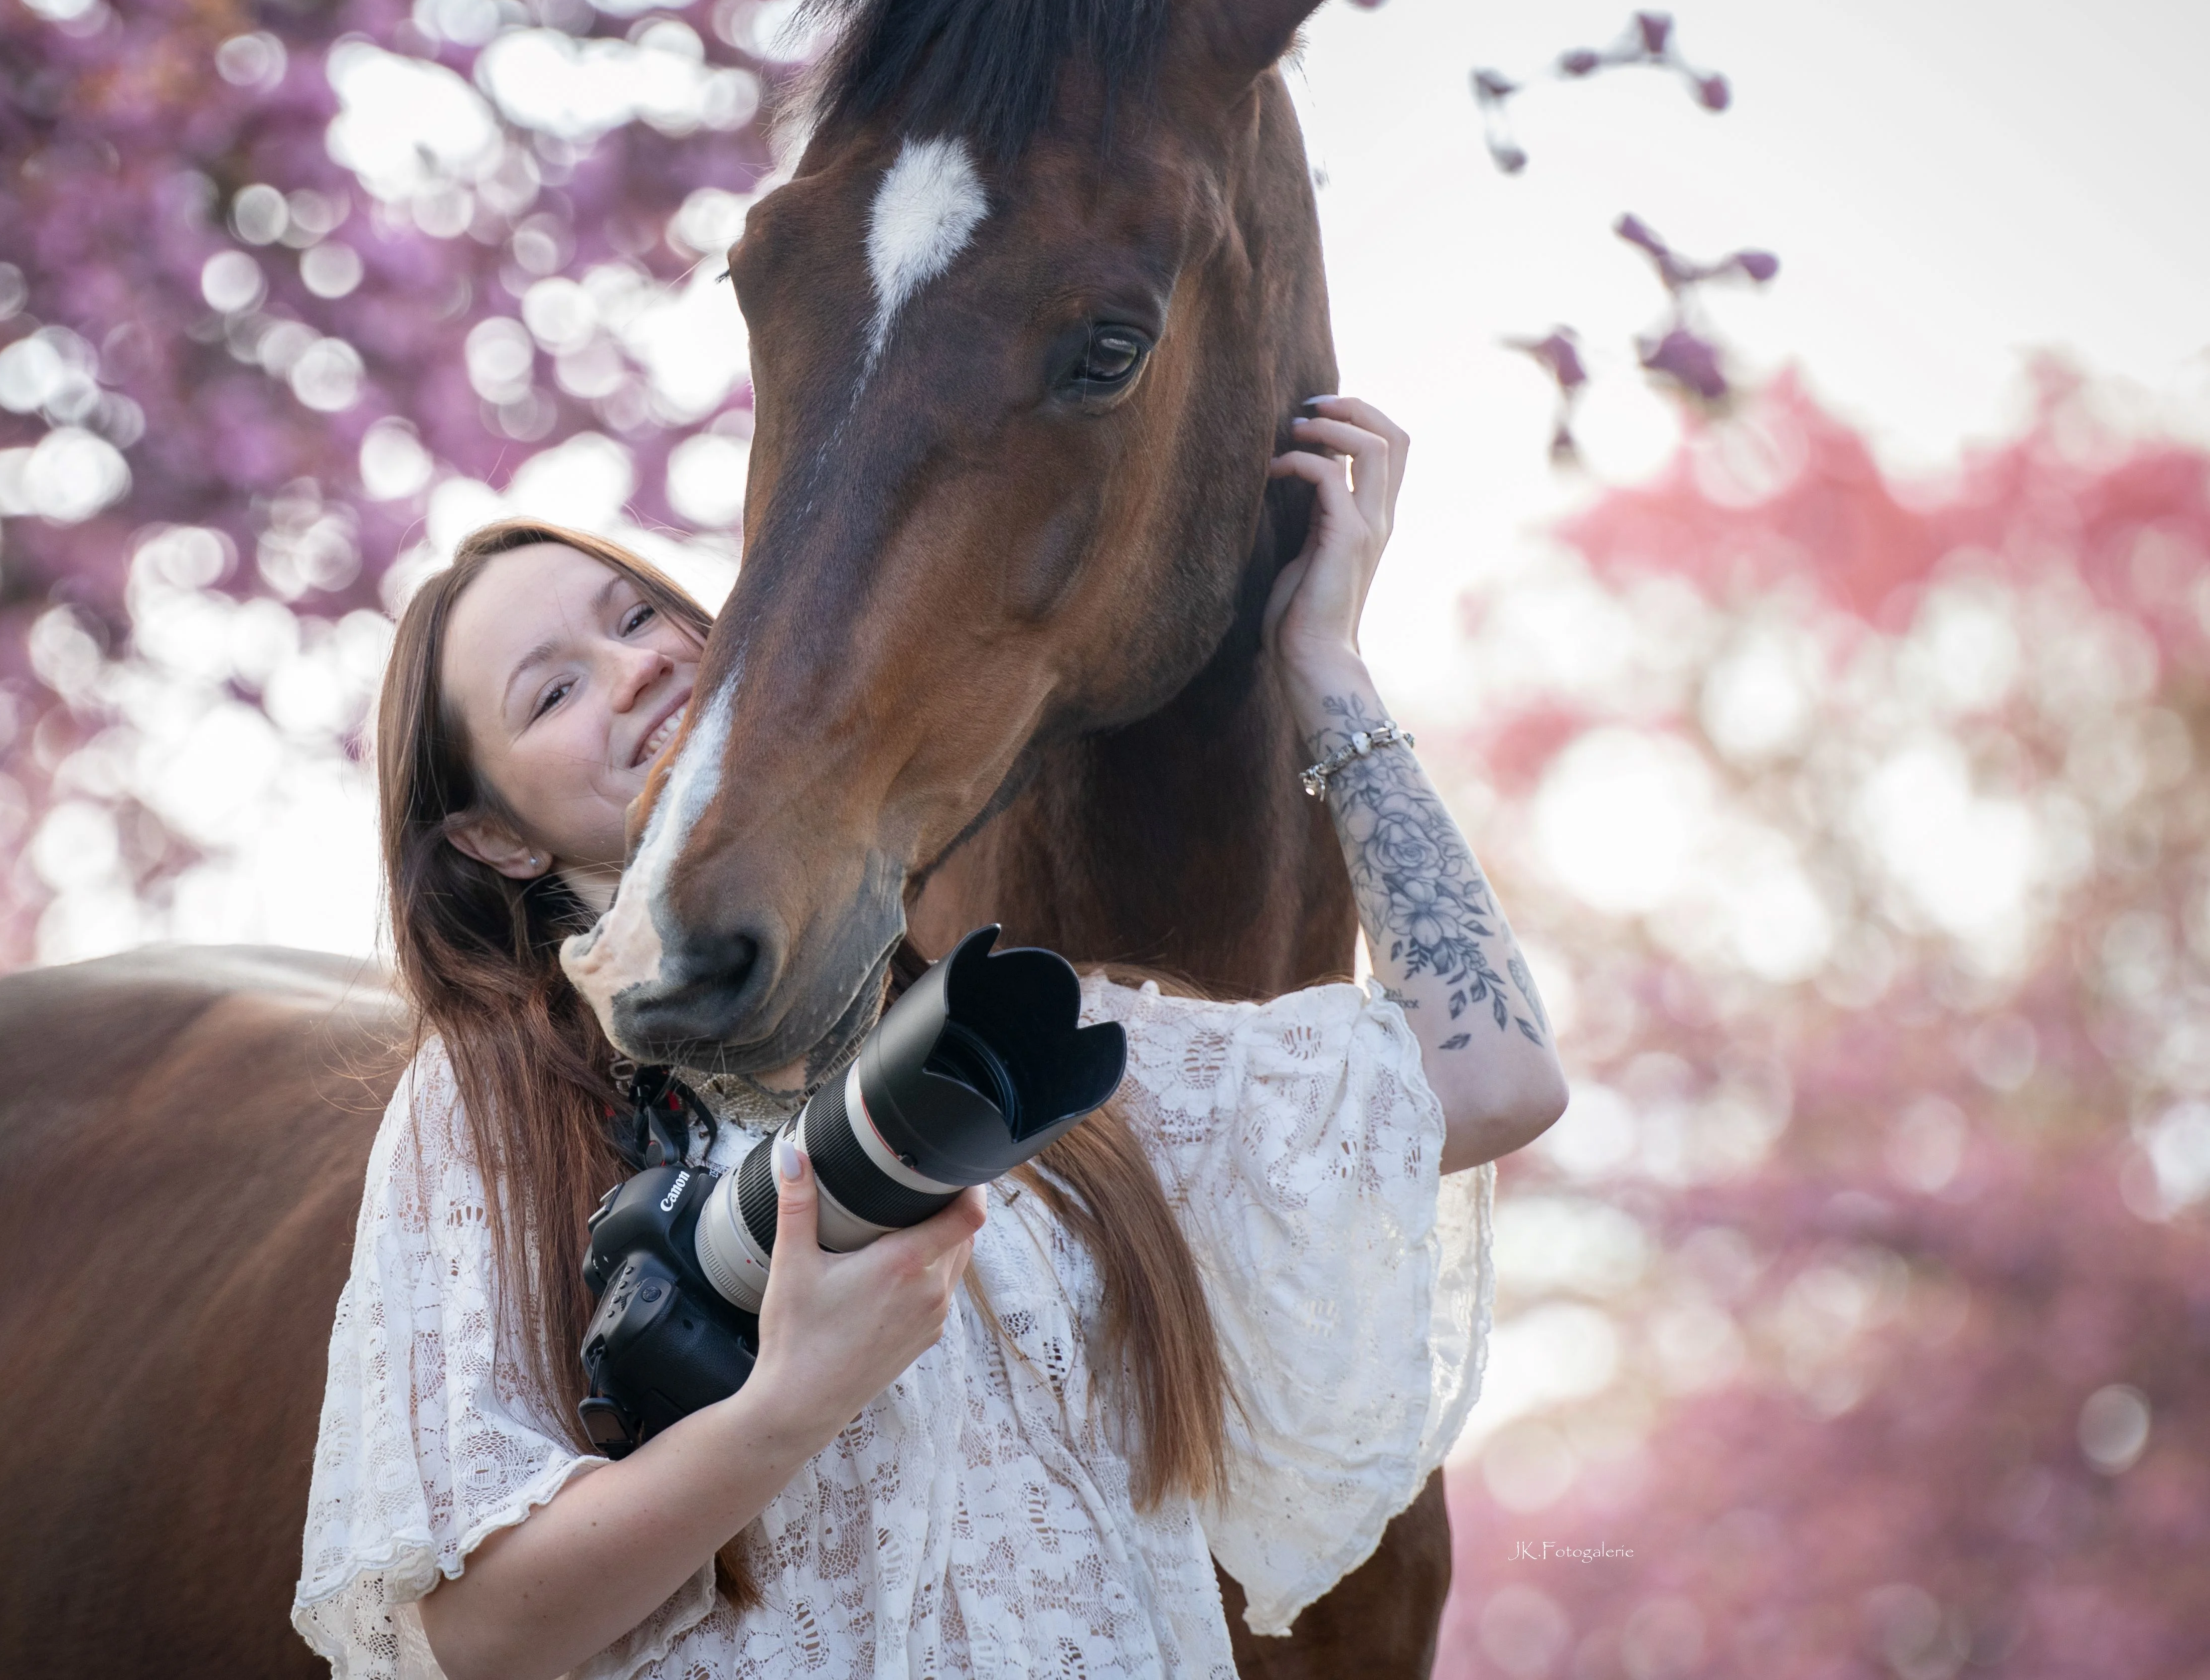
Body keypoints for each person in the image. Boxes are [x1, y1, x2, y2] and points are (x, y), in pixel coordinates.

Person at [294, 398, 1567, 1679]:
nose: (634, 667)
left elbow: (1492, 1079)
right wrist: (788, 1406)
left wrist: (1326, 668)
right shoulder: (495, 1108)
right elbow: (463, 1640)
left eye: (638, 618)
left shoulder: (1010, 1053)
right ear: (497, 839)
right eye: (554, 689)